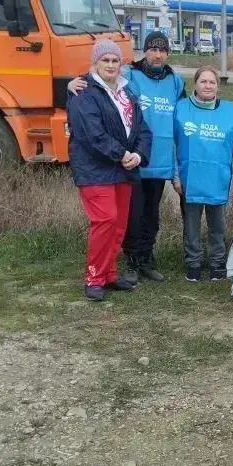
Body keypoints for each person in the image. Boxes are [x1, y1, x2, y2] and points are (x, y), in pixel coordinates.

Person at [68, 31, 187, 284]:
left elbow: (178, 116)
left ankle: (144, 259)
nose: (157, 54)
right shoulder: (129, 76)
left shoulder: (174, 82)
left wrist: (168, 165)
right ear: (144, 51)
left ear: (168, 53)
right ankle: (126, 262)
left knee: (149, 217)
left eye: (162, 50)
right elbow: (97, 84)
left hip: (155, 160)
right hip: (125, 164)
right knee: (128, 217)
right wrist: (71, 85)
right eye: (152, 49)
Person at [66, 38, 152, 302]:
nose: (111, 65)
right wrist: (121, 153)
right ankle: (93, 278)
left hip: (124, 170)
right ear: (95, 62)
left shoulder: (127, 93)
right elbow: (93, 134)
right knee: (104, 221)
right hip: (95, 170)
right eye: (105, 60)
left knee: (117, 225)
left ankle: (109, 274)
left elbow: (143, 130)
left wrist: (137, 154)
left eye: (115, 60)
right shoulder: (83, 92)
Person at [172, 66, 233, 282]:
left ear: (218, 87)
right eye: (203, 81)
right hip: (189, 181)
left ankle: (217, 264)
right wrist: (175, 176)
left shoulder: (230, 114)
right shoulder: (181, 109)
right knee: (191, 227)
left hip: (218, 180)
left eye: (212, 82)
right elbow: (172, 146)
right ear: (194, 85)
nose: (207, 85)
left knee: (218, 227)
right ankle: (193, 264)